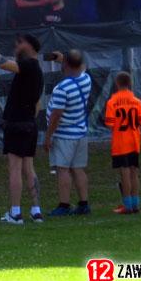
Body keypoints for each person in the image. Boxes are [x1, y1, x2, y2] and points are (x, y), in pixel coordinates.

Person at [0, 32, 44, 224]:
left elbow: (3, 64)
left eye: (20, 43)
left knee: (15, 169)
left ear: (30, 46)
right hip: (29, 124)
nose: (16, 46)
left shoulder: (29, 65)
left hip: (17, 124)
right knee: (29, 168)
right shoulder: (37, 71)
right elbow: (38, 104)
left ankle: (15, 213)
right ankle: (36, 211)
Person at [44, 49, 92, 217]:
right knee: (78, 169)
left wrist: (48, 136)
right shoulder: (86, 79)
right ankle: (84, 204)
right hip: (80, 132)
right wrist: (65, 60)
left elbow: (56, 115)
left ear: (65, 64)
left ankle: (64, 205)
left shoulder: (62, 88)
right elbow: (81, 66)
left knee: (62, 169)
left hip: (64, 135)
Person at [104, 71, 141, 215]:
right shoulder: (137, 101)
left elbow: (110, 123)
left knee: (125, 174)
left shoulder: (112, 102)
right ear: (130, 83)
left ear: (117, 83)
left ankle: (127, 205)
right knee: (134, 173)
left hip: (121, 143)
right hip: (134, 141)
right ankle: (135, 204)